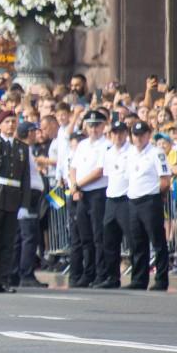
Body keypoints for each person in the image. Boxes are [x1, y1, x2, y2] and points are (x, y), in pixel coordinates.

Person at [0, 111, 32, 292]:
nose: (10, 125)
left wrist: (24, 205)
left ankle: (3, 279)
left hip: (12, 197)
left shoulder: (22, 148)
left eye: (13, 122)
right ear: (0, 125)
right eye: (7, 122)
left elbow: (25, 179)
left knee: (8, 242)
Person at [125, 120, 172, 290]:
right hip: (133, 200)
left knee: (157, 241)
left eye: (142, 135)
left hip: (150, 199)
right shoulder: (130, 153)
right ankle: (139, 279)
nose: (138, 138)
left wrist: (159, 197)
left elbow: (165, 180)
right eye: (135, 135)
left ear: (148, 135)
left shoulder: (156, 153)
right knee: (137, 243)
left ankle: (161, 279)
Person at [68, 110, 109, 287]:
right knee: (85, 237)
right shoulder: (83, 145)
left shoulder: (106, 145)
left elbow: (99, 172)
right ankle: (88, 272)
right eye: (91, 125)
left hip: (97, 193)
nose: (94, 129)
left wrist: (78, 185)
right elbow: (73, 167)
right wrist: (73, 185)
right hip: (82, 193)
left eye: (97, 125)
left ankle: (100, 274)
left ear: (103, 126)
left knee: (98, 236)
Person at [95, 119, 130, 289]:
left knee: (133, 239)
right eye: (115, 133)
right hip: (111, 198)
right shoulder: (108, 153)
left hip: (126, 198)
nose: (118, 136)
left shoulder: (131, 151)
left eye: (121, 132)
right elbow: (109, 175)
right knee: (109, 241)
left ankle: (138, 277)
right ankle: (111, 277)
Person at [14, 122, 48, 288]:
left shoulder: (26, 150)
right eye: (34, 132)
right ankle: (25, 273)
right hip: (27, 197)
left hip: (29, 196)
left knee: (23, 237)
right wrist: (24, 203)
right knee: (28, 237)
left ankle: (18, 272)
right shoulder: (22, 150)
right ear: (28, 133)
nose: (36, 135)